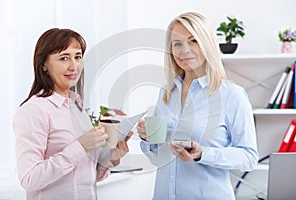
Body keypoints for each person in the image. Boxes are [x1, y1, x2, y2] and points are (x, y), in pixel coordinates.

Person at [137, 12, 258, 200]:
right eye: (177, 44)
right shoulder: (166, 93)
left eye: (193, 41)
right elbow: (158, 158)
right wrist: (147, 138)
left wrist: (203, 153)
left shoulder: (231, 95)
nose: (184, 50)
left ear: (207, 44)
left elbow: (249, 158)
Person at [13, 28, 132, 200]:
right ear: (44, 64)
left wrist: (112, 158)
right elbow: (29, 179)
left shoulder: (77, 106)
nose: (74, 66)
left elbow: (86, 175)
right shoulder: (35, 110)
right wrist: (80, 147)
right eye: (64, 58)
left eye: (77, 57)